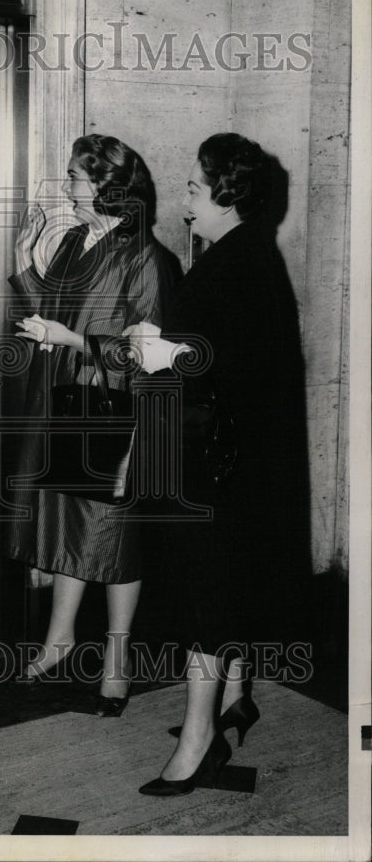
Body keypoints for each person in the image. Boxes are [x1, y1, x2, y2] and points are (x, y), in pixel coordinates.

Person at [126, 133, 308, 794]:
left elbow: (231, 366)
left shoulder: (238, 262)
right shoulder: (246, 252)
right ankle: (234, 697)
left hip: (219, 464)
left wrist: (163, 355)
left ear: (228, 195)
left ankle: (200, 742)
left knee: (209, 595)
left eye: (196, 190)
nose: (185, 202)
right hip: (235, 460)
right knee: (225, 587)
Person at [11, 135, 180, 712]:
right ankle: (60, 639)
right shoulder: (77, 240)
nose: (68, 188)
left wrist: (76, 340)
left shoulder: (147, 257)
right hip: (67, 401)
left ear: (108, 186)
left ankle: (117, 658)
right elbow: (50, 313)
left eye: (76, 179)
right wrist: (23, 268)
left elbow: (144, 355)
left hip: (116, 411)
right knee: (67, 523)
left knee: (115, 537)